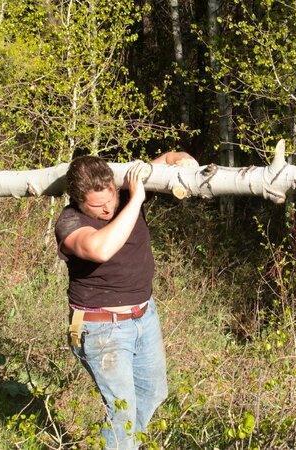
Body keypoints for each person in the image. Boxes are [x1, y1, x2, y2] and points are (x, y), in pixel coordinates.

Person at [54, 152, 198, 449]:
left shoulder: (124, 194)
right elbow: (100, 249)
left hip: (144, 316)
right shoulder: (69, 222)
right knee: (122, 414)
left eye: (111, 199)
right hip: (101, 328)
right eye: (97, 205)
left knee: (153, 393)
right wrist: (136, 200)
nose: (108, 208)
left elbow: (168, 159)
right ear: (78, 201)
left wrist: (182, 159)